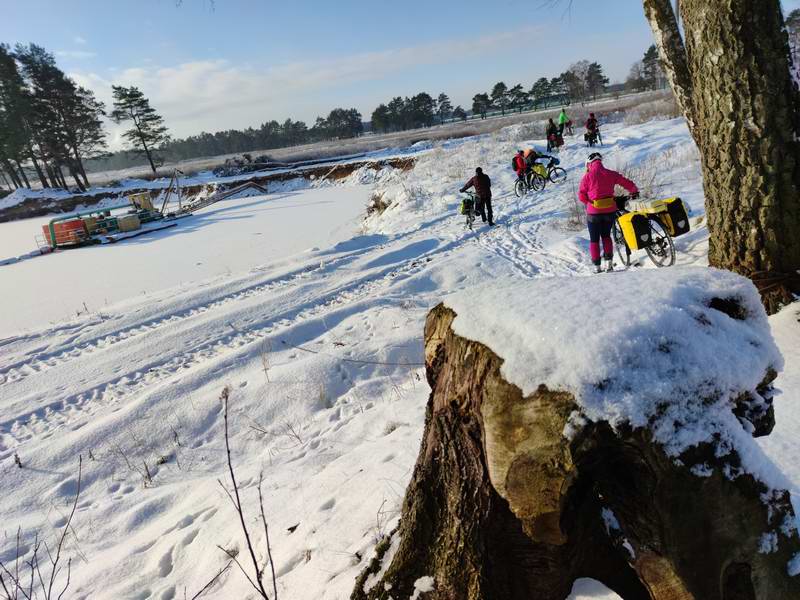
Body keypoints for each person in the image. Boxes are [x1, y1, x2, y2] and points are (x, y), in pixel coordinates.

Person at [578, 152, 639, 273]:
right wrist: (634, 190)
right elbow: (626, 182)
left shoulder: (587, 176)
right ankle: (609, 265)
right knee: (606, 236)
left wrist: (589, 203)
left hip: (593, 213)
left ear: (589, 164)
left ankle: (597, 267)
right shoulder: (611, 174)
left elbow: (581, 196)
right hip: (609, 211)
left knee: (594, 240)